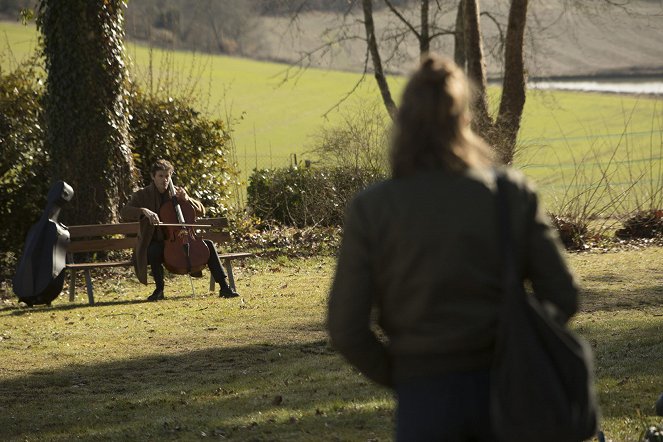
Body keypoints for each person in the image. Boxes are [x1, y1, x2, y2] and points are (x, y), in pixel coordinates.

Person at [327, 55, 579, 441]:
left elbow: (345, 328)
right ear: (464, 121)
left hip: (423, 401)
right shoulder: (510, 194)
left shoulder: (372, 209)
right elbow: (563, 295)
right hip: (507, 393)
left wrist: (401, 375)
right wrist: (519, 343)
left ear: (404, 123)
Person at [121, 159, 239, 301]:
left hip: (179, 239)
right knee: (153, 250)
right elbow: (125, 212)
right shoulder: (142, 195)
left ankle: (224, 287)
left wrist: (188, 199)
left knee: (208, 245)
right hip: (155, 240)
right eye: (161, 176)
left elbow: (201, 210)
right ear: (153, 177)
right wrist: (143, 211)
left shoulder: (177, 193)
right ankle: (159, 289)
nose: (165, 180)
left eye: (167, 176)